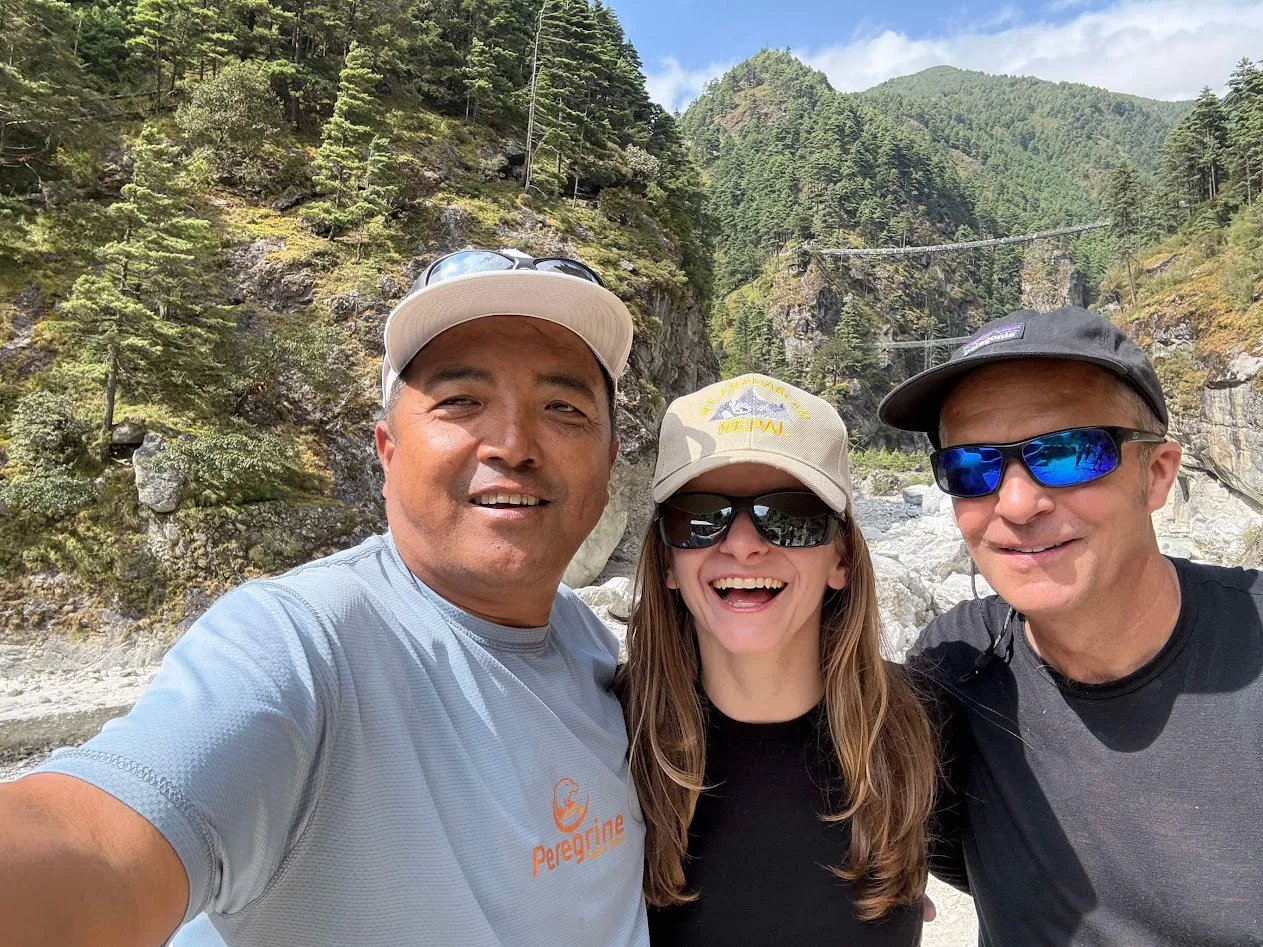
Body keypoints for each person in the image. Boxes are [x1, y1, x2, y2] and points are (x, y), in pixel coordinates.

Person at [0, 248, 650, 946]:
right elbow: (92, 845)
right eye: (462, 400)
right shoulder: (300, 645)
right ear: (387, 449)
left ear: (610, 462)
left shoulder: (589, 644)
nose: (514, 443)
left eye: (562, 407)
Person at [879, 306, 1263, 946]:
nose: (1018, 504)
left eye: (1068, 453)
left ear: (1158, 473)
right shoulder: (955, 669)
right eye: (973, 467)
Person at [618, 373, 937, 946]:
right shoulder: (608, 737)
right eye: (699, 516)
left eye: (789, 514)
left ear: (842, 557)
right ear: (666, 561)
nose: (742, 544)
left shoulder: (917, 730)